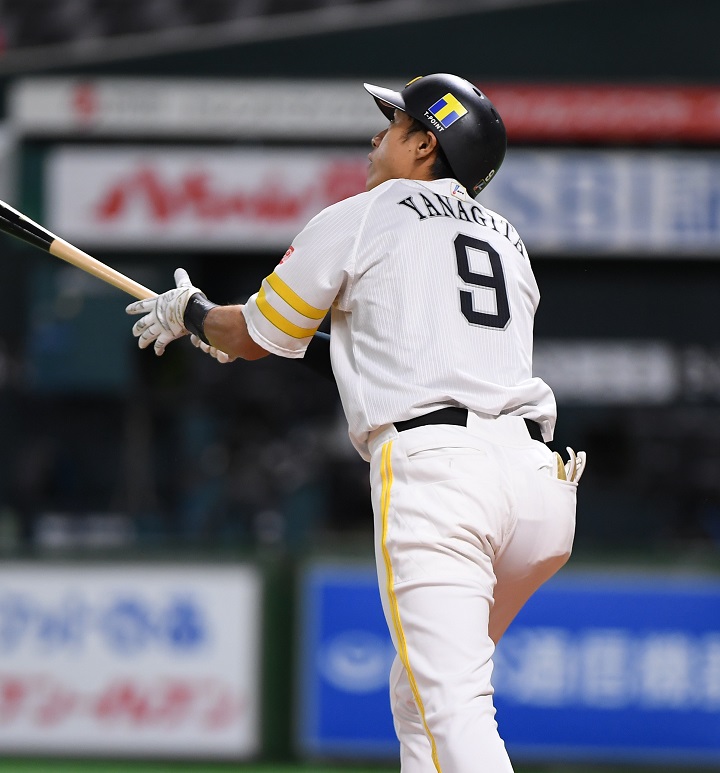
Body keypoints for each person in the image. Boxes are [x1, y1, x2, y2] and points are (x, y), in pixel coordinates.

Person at [127, 73, 586, 773]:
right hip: (538, 487)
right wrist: (240, 332)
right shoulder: (507, 240)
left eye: (395, 124)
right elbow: (382, 356)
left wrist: (192, 313)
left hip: (445, 481)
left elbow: (252, 333)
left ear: (426, 144)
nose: (378, 135)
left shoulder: (369, 212)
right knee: (421, 701)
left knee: (455, 711)